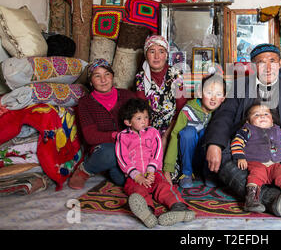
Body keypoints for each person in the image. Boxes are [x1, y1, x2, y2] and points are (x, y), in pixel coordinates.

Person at [203, 43, 281, 217]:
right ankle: (271, 197)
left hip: (277, 153)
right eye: (262, 62)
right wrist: (214, 144)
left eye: (272, 61)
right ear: (254, 67)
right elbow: (224, 116)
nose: (268, 67)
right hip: (245, 154)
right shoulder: (241, 85)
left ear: (280, 63)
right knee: (221, 152)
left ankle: (265, 194)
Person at [116, 98, 195, 228]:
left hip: (153, 173)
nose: (144, 121)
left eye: (146, 117)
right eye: (139, 118)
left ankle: (179, 208)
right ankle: (147, 212)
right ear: (128, 122)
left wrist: (151, 171)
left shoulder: (153, 132)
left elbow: (157, 152)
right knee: (136, 190)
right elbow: (122, 157)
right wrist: (136, 176)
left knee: (164, 186)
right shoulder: (122, 136)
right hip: (135, 176)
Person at [68, 59, 136, 190]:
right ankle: (84, 170)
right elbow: (90, 137)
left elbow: (141, 120)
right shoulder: (85, 103)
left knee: (124, 179)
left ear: (113, 76)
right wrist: (117, 136)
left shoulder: (127, 96)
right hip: (104, 149)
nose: (103, 80)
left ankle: (107, 167)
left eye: (107, 74)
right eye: (97, 76)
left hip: (129, 148)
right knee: (110, 152)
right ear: (90, 81)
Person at [231, 102, 281, 214]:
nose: (262, 116)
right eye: (256, 115)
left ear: (272, 120)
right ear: (248, 121)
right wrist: (240, 157)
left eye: (266, 114)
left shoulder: (278, 130)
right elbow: (237, 142)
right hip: (256, 162)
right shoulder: (247, 130)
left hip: (275, 164)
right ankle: (251, 200)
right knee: (256, 175)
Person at [163, 74, 226, 188]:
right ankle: (186, 173)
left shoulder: (221, 113)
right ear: (200, 93)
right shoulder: (187, 110)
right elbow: (174, 136)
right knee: (188, 132)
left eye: (218, 94)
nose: (213, 98)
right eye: (209, 93)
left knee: (210, 133)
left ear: (223, 98)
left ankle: (209, 173)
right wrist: (167, 169)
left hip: (205, 158)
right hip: (188, 156)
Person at [135, 35, 187, 153]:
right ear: (146, 55)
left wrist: (166, 135)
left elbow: (181, 108)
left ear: (166, 55)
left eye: (161, 51)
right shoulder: (140, 77)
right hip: (148, 128)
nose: (157, 56)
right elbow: (141, 110)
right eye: (152, 51)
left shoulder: (176, 74)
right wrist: (151, 135)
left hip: (173, 126)